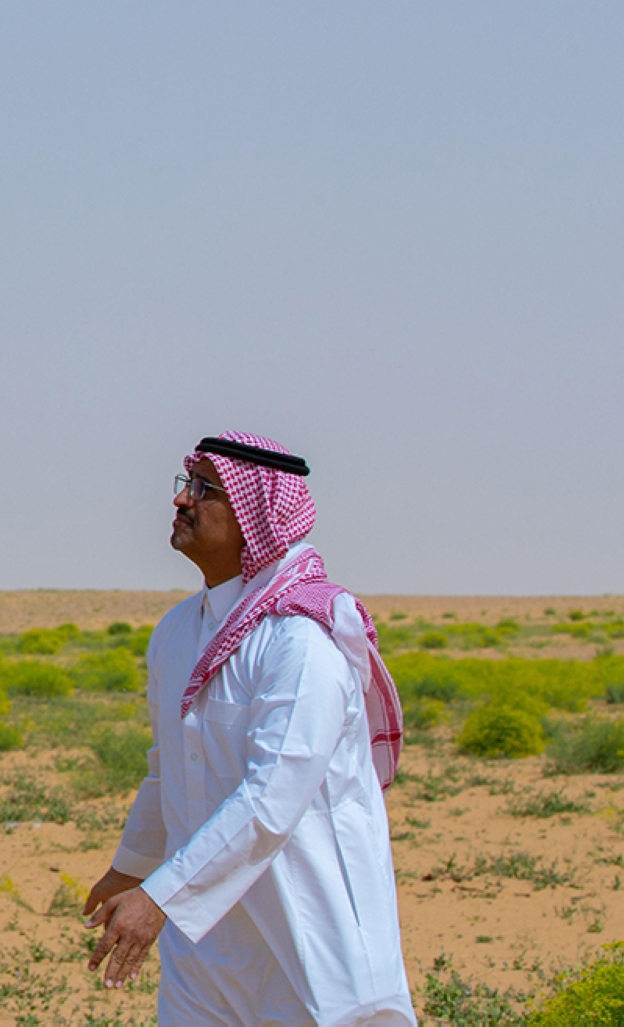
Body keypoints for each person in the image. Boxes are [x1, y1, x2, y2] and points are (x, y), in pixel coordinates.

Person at [83, 431, 415, 1025]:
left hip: (309, 937)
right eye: (185, 484)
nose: (182, 501)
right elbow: (169, 771)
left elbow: (270, 800)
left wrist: (161, 895)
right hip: (206, 946)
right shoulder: (178, 631)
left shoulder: (301, 641)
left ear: (255, 516)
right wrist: (131, 865)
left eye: (204, 490)